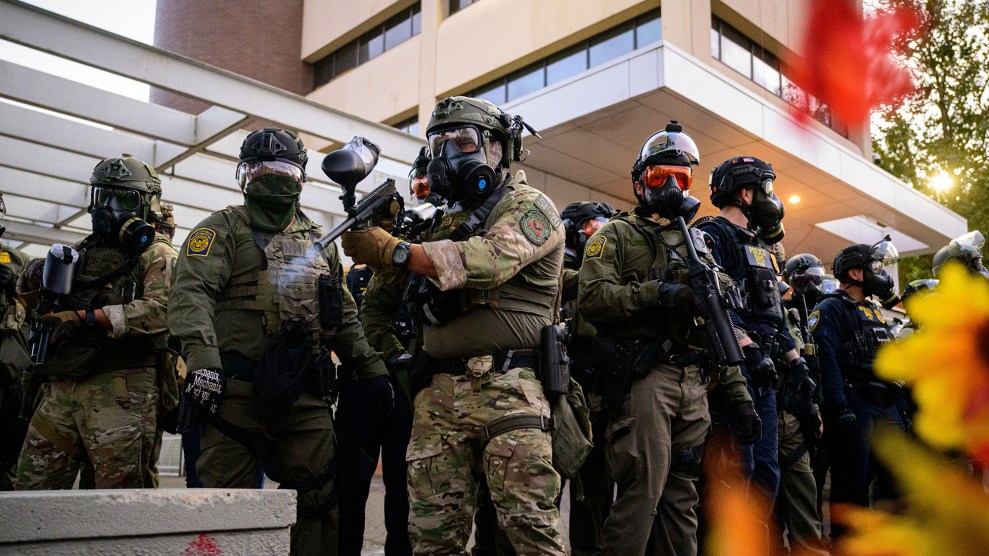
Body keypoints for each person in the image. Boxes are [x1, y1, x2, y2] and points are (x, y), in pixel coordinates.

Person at [342, 96, 567, 554]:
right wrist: (397, 359)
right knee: (430, 538)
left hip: (511, 388)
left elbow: (485, 261)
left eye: (463, 143)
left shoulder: (531, 207)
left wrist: (395, 250)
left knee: (529, 533)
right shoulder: (441, 223)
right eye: (439, 144)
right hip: (437, 395)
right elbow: (381, 302)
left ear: (499, 150)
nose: (449, 155)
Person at [168, 128, 391, 554]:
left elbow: (342, 315)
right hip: (234, 395)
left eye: (283, 168)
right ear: (244, 175)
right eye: (260, 168)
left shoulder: (319, 242)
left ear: (301, 178)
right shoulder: (220, 230)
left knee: (322, 504)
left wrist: (371, 368)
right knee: (223, 512)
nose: (272, 176)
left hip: (304, 399)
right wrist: (202, 359)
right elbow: (190, 293)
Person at [577, 122, 760, 555]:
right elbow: (591, 298)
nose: (674, 187)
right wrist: (658, 294)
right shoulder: (616, 234)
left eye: (683, 178)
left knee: (683, 498)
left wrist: (739, 394)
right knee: (642, 492)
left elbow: (719, 322)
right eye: (661, 177)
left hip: (694, 381)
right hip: (646, 378)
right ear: (640, 183)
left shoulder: (698, 243)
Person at [15, 155, 177, 490]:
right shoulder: (79, 251)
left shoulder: (158, 255)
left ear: (148, 206)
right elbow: (35, 302)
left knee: (118, 502)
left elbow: (163, 310)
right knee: (30, 492)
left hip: (121, 389)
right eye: (103, 196)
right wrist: (33, 278)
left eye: (125, 199)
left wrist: (88, 318)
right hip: (64, 382)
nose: (110, 207)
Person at [696, 156, 816, 527]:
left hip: (766, 372)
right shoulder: (711, 234)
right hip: (735, 370)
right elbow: (712, 301)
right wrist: (746, 348)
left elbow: (774, 314)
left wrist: (796, 363)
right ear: (746, 193)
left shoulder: (761, 245)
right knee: (738, 471)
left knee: (767, 472)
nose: (772, 197)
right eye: (767, 188)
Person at [810, 239, 906, 540]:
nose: (881, 273)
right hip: (855, 404)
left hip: (885, 405)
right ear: (854, 273)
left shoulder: (874, 310)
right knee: (852, 486)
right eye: (874, 267)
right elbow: (827, 361)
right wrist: (839, 407)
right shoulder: (830, 308)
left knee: (896, 481)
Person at [559, 200, 614, 555]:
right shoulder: (551, 268)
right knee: (541, 489)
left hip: (596, 396)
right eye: (594, 228)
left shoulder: (609, 274)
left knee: (594, 492)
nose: (601, 237)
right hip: (554, 394)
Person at [773, 253, 828, 554]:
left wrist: (814, 409)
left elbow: (810, 368)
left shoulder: (797, 317)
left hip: (797, 417)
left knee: (805, 506)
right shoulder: (778, 312)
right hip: (772, 416)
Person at [0, 192, 33, 491]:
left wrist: (14, 286)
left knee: (10, 446)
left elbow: (41, 306)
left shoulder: (14, 260)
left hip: (10, 370)